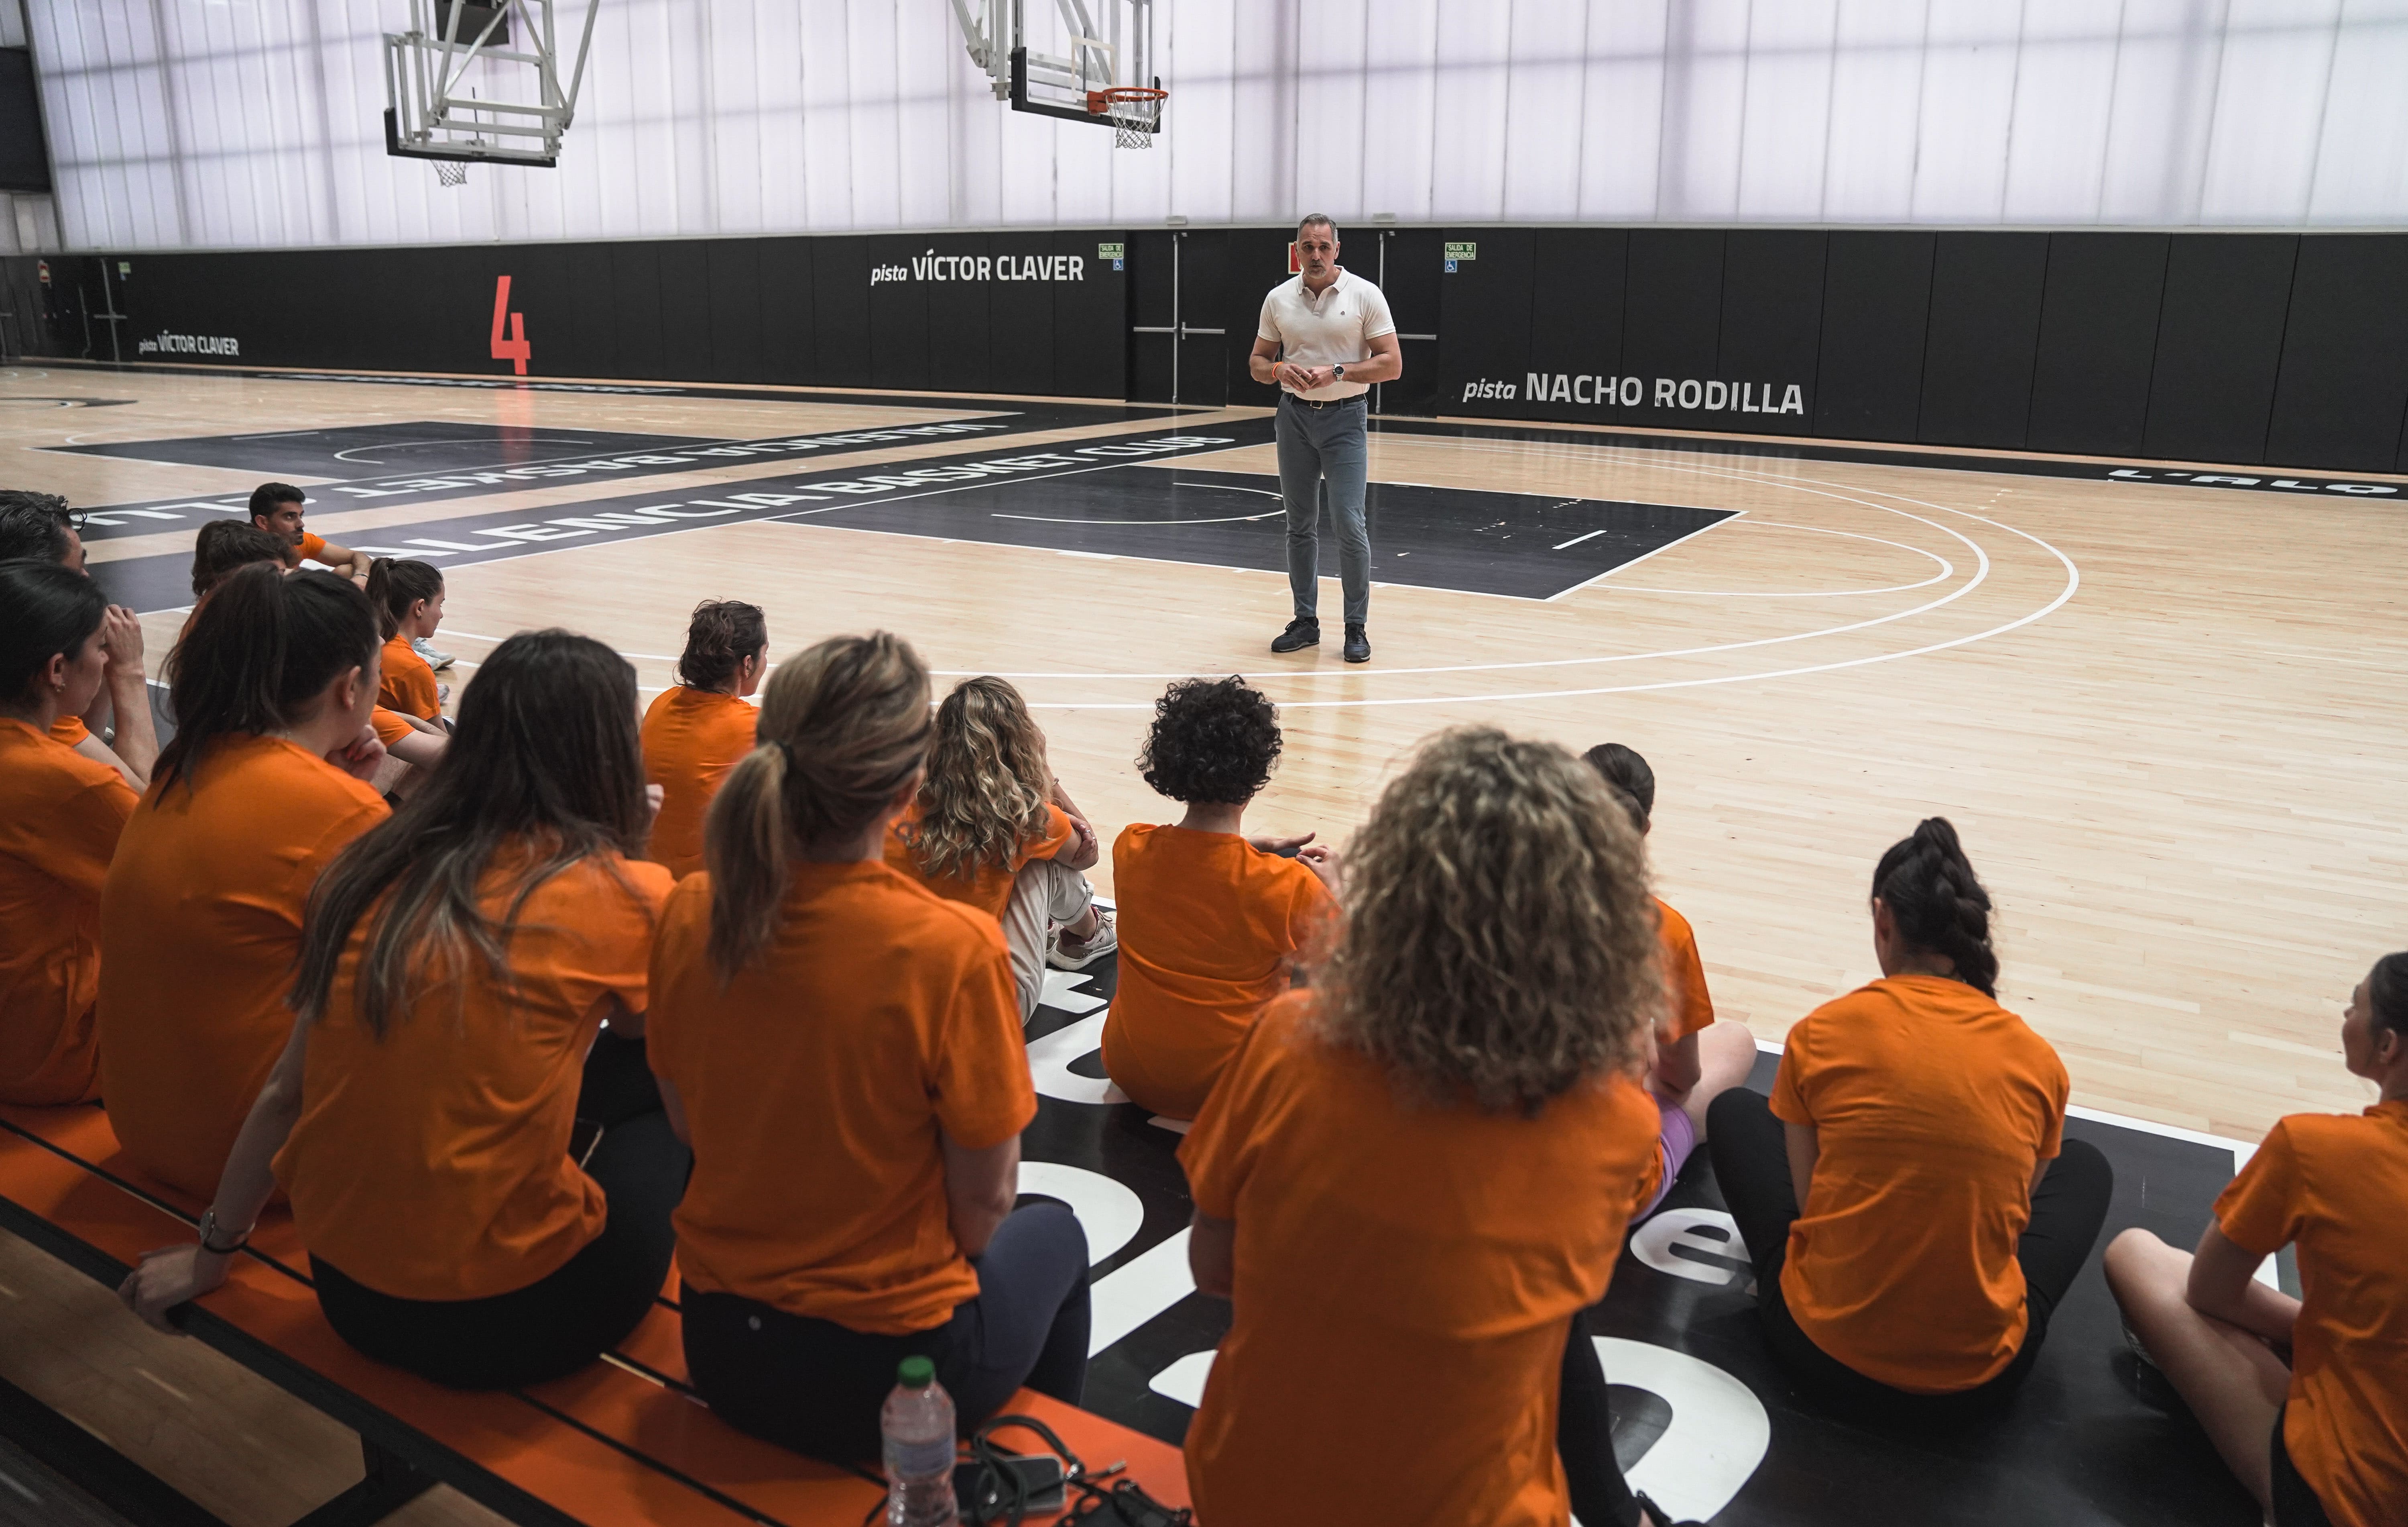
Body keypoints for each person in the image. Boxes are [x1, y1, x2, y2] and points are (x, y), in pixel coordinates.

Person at [120, 632, 685, 1391]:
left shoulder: (371, 868)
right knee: (660, 1087)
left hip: (352, 1294)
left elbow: (285, 1091)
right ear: (611, 751)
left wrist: (211, 1254)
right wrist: (629, 857)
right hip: (527, 1316)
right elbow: (655, 1046)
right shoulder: (628, 892)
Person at [1180, 726, 1678, 1527]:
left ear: (1395, 887)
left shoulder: (1285, 1037)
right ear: (1594, 921)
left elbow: (1213, 1267)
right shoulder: (1615, 1124)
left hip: (1242, 1494)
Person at [648, 632, 1089, 1464]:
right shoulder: (952, 951)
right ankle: (1030, 1485)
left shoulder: (691, 910)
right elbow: (984, 1212)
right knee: (1057, 1233)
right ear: (910, 783)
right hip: (895, 1372)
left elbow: (689, 1128)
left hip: (722, 1345)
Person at [1705, 818, 2113, 1420]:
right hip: (1981, 1380)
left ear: (1882, 919)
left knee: (1735, 1113)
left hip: (1818, 1352)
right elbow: (2014, 1221)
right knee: (2087, 1167)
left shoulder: (1820, 1034)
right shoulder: (2038, 1061)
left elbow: (1812, 1201)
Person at [96, 565, 388, 1200]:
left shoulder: (186, 762)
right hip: (252, 1165)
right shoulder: (334, 811)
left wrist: (342, 789)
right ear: (350, 688)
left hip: (143, 1127)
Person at [2103, 953, 2408, 1527]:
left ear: (2387, 1045)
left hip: (2343, 1503)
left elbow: (2210, 1293)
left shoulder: (2315, 1148)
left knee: (2138, 1254)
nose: (2346, 1013)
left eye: (2355, 1003)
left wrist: (2312, 1330)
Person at [1101, 677, 1337, 1120]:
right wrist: (1343, 891)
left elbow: (1202, 884)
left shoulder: (1130, 847)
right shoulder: (1289, 886)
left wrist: (1241, 851)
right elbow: (1364, 975)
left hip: (1132, 1072)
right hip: (1234, 1090)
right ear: (1256, 776)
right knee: (1308, 966)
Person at [1582, 743, 1757, 1220]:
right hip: (1601, 1188)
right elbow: (1681, 1076)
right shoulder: (1663, 929)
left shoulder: (1495, 909)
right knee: (1735, 1043)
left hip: (1491, 1166)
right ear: (1644, 827)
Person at [884, 675, 1113, 1022]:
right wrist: (1045, 776)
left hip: (893, 992)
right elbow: (1087, 855)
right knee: (1043, 862)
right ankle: (1084, 937)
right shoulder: (1026, 816)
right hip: (984, 1012)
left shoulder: (897, 799)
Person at [0, 563, 140, 1105]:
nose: (107, 660)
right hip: (53, 1059)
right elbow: (185, 876)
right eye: (100, 649)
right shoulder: (68, 785)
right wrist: (128, 678)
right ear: (57, 668)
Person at [1249, 214, 1402, 666]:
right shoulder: (1279, 299)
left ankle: (1356, 626)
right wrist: (1278, 370)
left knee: (1349, 523)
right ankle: (1306, 622)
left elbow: (1392, 364)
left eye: (1323, 247)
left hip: (1345, 417)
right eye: (1307, 247)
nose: (1315, 255)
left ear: (1337, 249)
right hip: (1293, 419)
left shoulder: (1364, 295)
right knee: (1300, 525)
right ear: (1296, 250)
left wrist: (1338, 371)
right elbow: (1257, 361)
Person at [0, 489, 158, 788]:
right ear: (32, 582)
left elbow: (86, 737)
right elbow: (146, 805)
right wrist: (128, 672)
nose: (87, 579)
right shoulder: (28, 690)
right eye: (74, 571)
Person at [641, 599, 767, 880]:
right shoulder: (751, 725)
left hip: (646, 866)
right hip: (701, 884)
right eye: (765, 653)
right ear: (747, 665)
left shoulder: (662, 703)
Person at [367, 558, 447, 722]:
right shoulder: (413, 669)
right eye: (440, 605)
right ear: (420, 608)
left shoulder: (363, 641)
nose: (441, 615)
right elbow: (441, 742)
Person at [249, 483, 371, 588]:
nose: (301, 524)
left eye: (300, 516)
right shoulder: (244, 550)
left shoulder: (298, 540)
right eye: (290, 517)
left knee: (347, 572)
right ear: (263, 522)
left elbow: (359, 557)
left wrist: (361, 576)